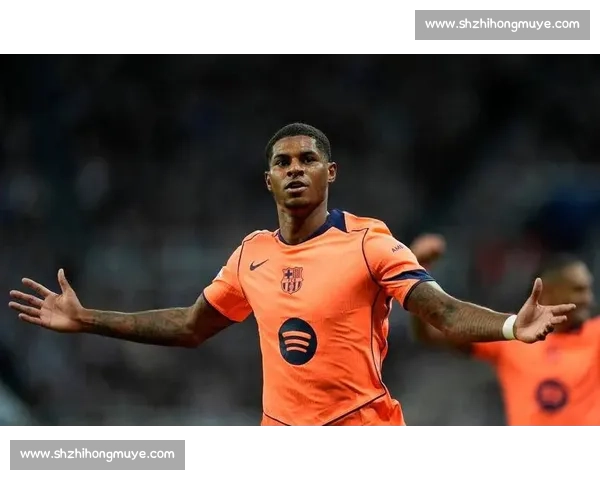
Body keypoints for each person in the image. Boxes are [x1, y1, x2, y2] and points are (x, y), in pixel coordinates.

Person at [8, 123, 575, 427]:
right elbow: (189, 325)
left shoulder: (368, 242)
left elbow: (441, 310)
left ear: (331, 173)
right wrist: (88, 319)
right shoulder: (250, 255)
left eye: (308, 160)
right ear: (269, 180)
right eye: (283, 162)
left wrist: (510, 326)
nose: (295, 170)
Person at [409, 236, 599, 426]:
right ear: (548, 292)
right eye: (579, 290)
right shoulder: (513, 334)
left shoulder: (595, 334)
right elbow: (428, 334)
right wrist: (416, 270)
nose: (589, 298)